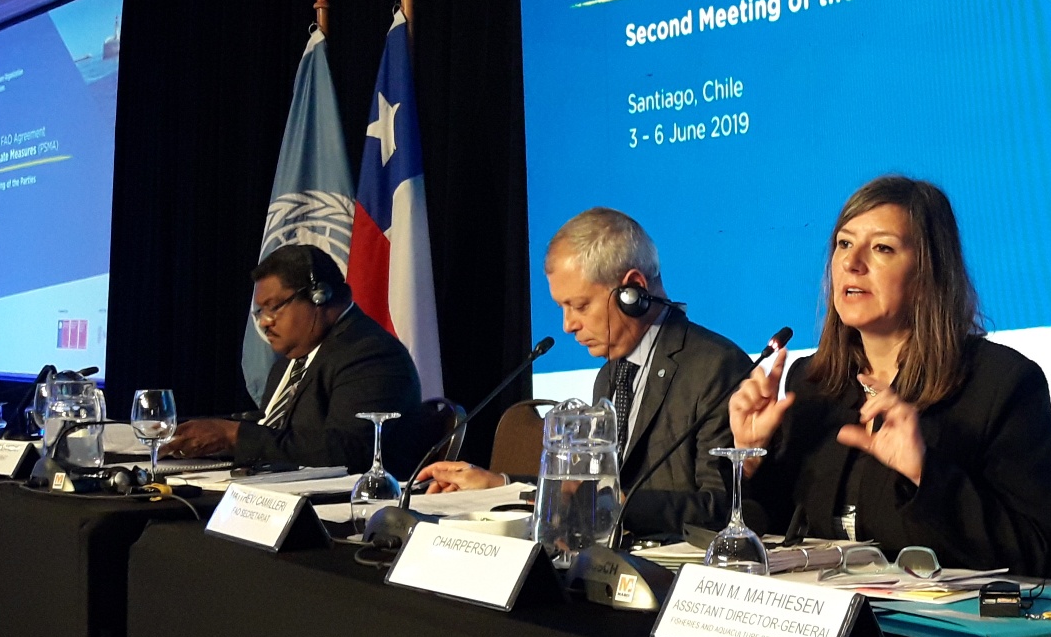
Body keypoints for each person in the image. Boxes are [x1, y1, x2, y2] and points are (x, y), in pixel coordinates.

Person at [730, 175, 1051, 572]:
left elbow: (1034, 553)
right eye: (844, 244)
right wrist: (751, 460)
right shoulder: (812, 382)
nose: (852, 263)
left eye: (882, 248)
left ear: (928, 272)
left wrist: (924, 472)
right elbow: (781, 539)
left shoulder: (1002, 384)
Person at [417, 208, 754, 540]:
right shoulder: (609, 375)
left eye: (579, 306)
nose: (568, 325)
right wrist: (500, 484)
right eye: (562, 307)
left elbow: (724, 506)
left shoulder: (716, 367)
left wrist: (614, 505)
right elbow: (585, 489)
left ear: (633, 292)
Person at [163, 244, 424, 474]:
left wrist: (235, 436)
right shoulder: (290, 363)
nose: (265, 322)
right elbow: (282, 438)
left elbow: (350, 452)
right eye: (260, 312)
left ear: (319, 295)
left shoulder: (370, 354)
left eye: (274, 307)